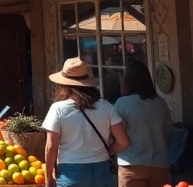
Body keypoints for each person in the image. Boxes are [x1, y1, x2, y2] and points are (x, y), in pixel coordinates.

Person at [42, 58, 130, 187]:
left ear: (64, 85)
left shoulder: (58, 108)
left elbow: (51, 147)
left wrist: (49, 177)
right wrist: (107, 151)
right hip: (102, 170)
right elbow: (123, 142)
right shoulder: (105, 106)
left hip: (71, 172)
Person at [114, 63, 173, 187]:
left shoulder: (122, 103)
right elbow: (168, 135)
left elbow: (119, 137)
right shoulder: (160, 102)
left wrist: (109, 151)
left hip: (132, 164)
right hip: (160, 164)